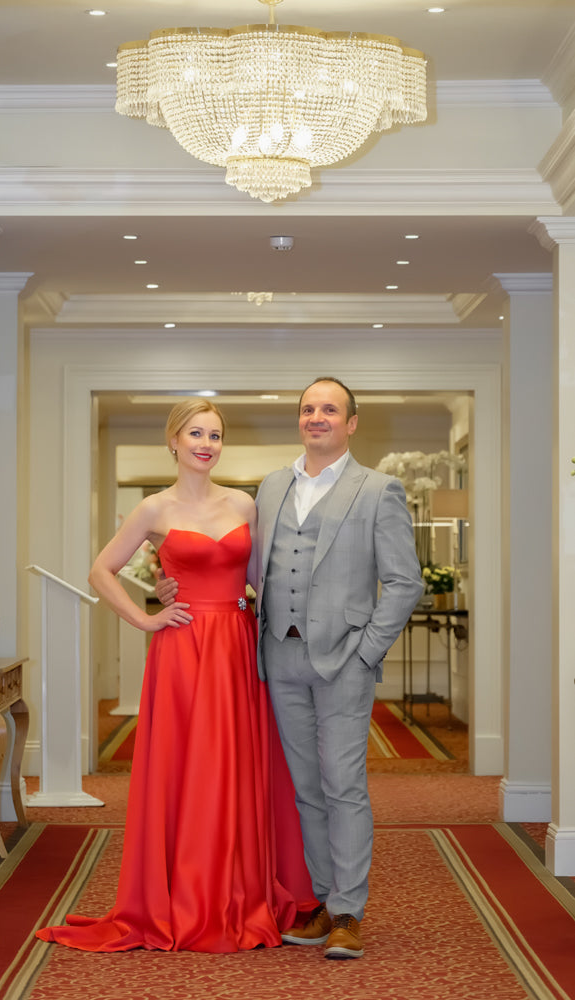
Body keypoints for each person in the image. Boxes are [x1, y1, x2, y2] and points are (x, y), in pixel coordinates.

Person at [36, 398, 316, 954]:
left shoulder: (245, 503)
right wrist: (146, 616)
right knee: (186, 767)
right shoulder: (153, 509)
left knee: (235, 766)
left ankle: (238, 890)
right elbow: (101, 570)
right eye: (195, 433)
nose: (206, 443)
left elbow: (263, 575)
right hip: (183, 649)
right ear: (174, 440)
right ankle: (182, 896)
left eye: (215, 434)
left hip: (236, 645)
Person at [158, 378, 423, 960]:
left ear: (351, 423)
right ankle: (325, 900)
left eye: (329, 409)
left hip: (345, 659)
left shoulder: (379, 490)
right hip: (277, 656)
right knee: (304, 788)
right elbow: (245, 570)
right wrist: (170, 581)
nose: (317, 417)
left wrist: (367, 650)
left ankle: (350, 910)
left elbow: (406, 583)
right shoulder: (271, 488)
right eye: (308, 408)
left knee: (343, 784)